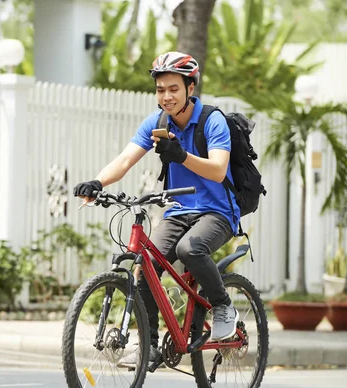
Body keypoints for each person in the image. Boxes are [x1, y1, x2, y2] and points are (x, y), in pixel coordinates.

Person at [73, 52, 240, 368]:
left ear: (190, 87)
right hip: (178, 211)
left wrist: (180, 155)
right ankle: (149, 346)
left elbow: (219, 171)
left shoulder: (212, 120)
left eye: (173, 88)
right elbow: (124, 161)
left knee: (190, 248)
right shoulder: (157, 122)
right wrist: (97, 182)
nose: (166, 96)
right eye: (161, 89)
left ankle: (222, 305)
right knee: (145, 263)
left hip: (217, 212)